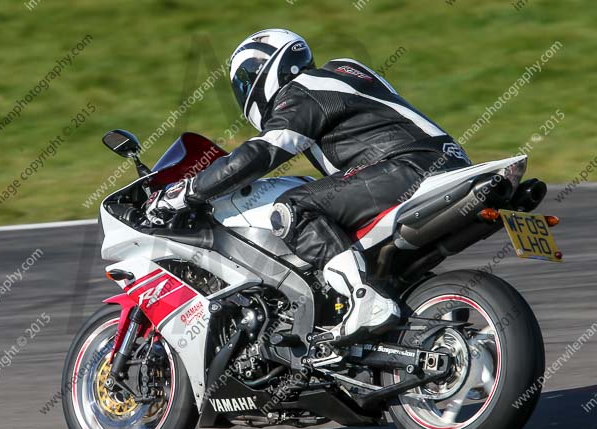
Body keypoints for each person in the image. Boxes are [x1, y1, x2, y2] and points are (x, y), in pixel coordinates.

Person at [146, 28, 471, 341]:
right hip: (440, 161)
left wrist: (186, 191)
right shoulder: (344, 74)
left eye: (246, 80)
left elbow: (263, 151)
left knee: (292, 209)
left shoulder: (304, 88)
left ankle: (363, 298)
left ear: (265, 70)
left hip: (406, 168)